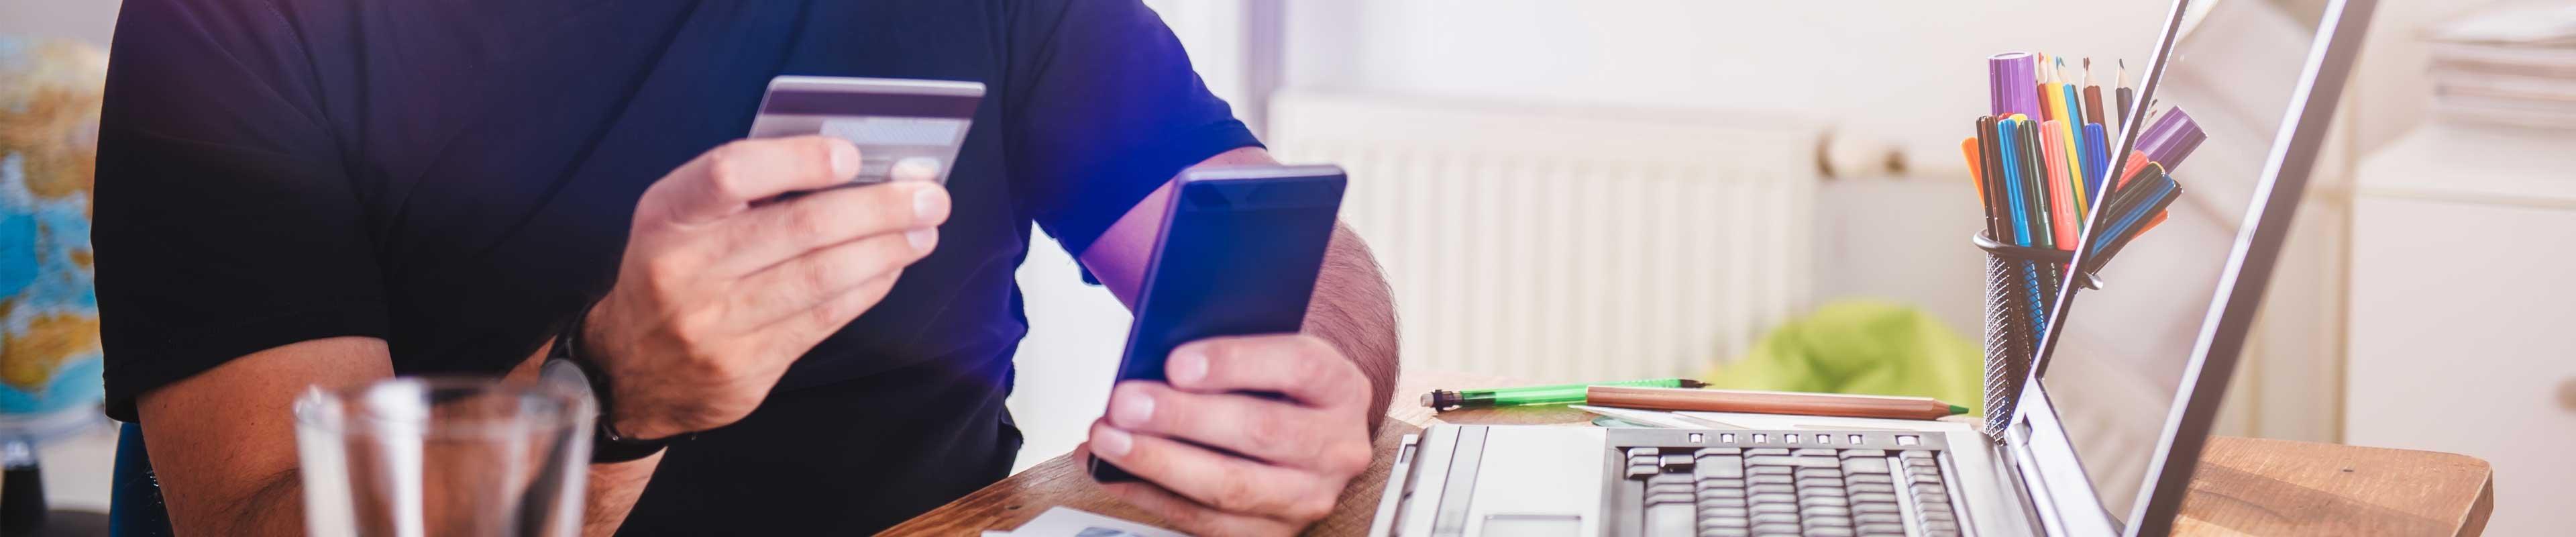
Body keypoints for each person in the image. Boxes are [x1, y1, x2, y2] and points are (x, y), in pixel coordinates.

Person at [91, 0, 1399, 534]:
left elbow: (1276, 231)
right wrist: (604, 399)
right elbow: (266, 513)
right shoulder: (228, 26)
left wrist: (1319, 365)